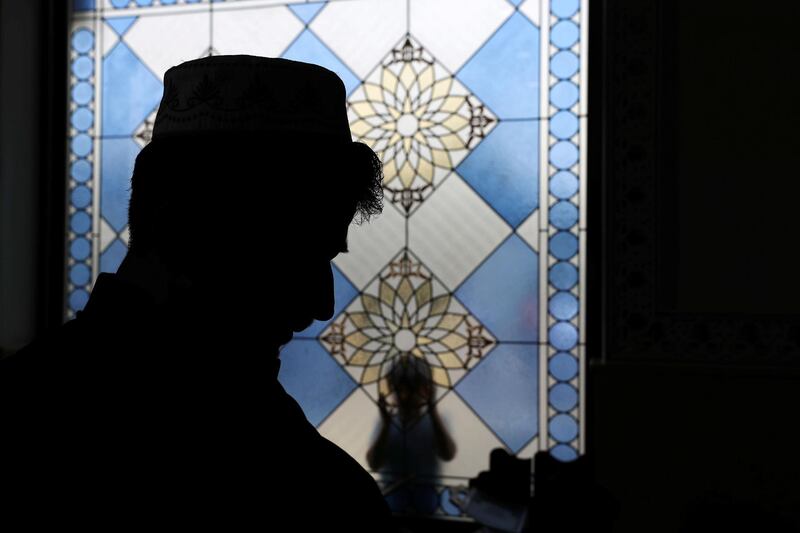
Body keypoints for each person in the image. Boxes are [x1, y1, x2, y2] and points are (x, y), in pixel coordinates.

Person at [0, 55, 394, 530]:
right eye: (296, 257)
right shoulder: (307, 492)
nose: (321, 304)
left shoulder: (21, 407)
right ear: (183, 227)